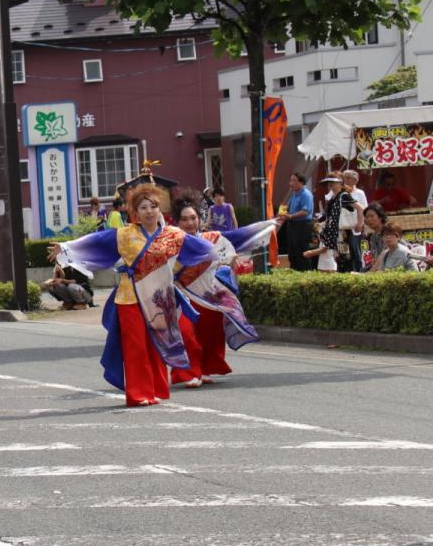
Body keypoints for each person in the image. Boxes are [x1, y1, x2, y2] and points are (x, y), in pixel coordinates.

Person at [48, 183, 218, 407]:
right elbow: (95, 242)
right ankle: (139, 393)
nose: (149, 211)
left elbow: (205, 247)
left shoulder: (173, 235)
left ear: (159, 210)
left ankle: (157, 389)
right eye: (144, 207)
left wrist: (221, 254)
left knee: (156, 344)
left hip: (158, 298)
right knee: (136, 346)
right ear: (135, 212)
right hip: (130, 297)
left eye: (153, 206)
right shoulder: (125, 234)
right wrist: (67, 247)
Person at [171, 197, 276, 388]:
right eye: (184, 219)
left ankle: (204, 369)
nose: (189, 223)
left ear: (199, 219)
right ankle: (189, 372)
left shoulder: (213, 239)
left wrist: (232, 259)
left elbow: (233, 246)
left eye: (193, 218)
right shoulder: (171, 245)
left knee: (211, 336)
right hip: (183, 295)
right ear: (177, 222)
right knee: (187, 335)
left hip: (209, 295)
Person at [306, 174, 347, 273]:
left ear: (340, 183)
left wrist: (310, 253)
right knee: (337, 258)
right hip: (332, 231)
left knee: (341, 259)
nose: (330, 186)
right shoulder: (332, 198)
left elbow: (326, 247)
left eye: (332, 183)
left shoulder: (344, 196)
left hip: (341, 232)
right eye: (329, 184)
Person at [279, 172, 314, 270]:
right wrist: (281, 213)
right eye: (290, 181)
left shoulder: (306, 194)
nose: (291, 183)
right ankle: (294, 271)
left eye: (294, 180)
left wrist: (290, 216)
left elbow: (305, 211)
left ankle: (305, 272)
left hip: (303, 225)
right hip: (292, 224)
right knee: (292, 250)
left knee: (301, 250)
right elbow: (287, 206)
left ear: (301, 182)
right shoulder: (294, 193)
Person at [340, 170, 369, 271]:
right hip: (342, 227)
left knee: (355, 251)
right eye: (344, 178)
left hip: (355, 227)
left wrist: (360, 224)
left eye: (348, 178)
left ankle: (358, 271)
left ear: (355, 180)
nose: (345, 180)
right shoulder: (340, 192)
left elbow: (364, 209)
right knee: (343, 252)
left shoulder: (360, 193)